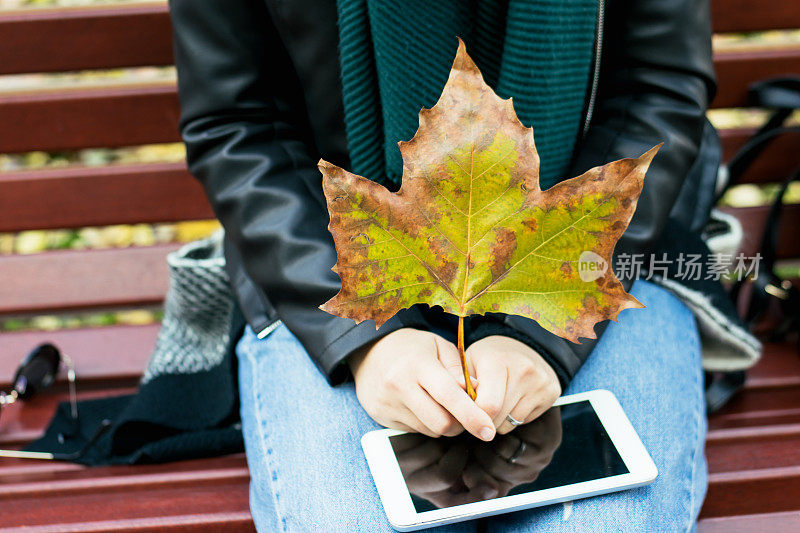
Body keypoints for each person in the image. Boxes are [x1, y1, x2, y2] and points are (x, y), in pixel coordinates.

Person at [169, 0, 757, 530]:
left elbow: (660, 86)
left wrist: (545, 329)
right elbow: (239, 124)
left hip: (602, 261)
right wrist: (361, 338)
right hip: (322, 269)